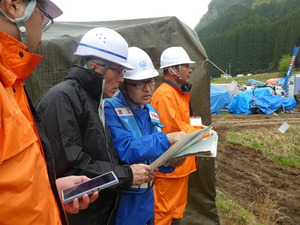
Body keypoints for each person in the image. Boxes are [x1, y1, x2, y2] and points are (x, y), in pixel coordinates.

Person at [35, 27, 157, 225]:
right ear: (95, 67)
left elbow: (100, 156)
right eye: (118, 70)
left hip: (100, 214)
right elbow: (72, 169)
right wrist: (126, 174)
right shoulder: (63, 98)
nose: (122, 78)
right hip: (78, 216)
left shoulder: (95, 100)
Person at [0, 0, 98, 224]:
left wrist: (48, 191)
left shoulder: (12, 82)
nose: (42, 37)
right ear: (15, 6)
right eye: (43, 17)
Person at [104, 47, 185, 225]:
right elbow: (124, 148)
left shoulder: (151, 111)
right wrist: (167, 139)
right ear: (123, 84)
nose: (148, 89)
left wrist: (171, 162)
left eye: (151, 82)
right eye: (140, 83)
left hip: (147, 198)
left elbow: (155, 159)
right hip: (123, 201)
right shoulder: (109, 108)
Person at [151, 46, 211, 225]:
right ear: (172, 70)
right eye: (185, 65)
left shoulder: (180, 92)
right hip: (169, 170)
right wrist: (204, 133)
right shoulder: (164, 95)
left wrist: (202, 128)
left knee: (176, 212)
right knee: (163, 215)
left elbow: (188, 120)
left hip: (181, 167)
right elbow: (176, 130)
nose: (190, 69)